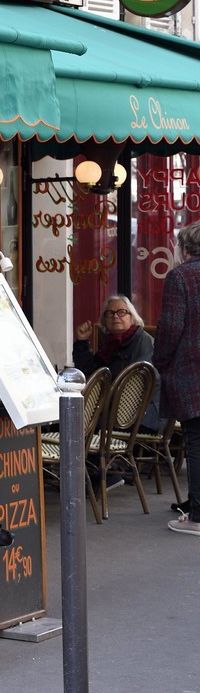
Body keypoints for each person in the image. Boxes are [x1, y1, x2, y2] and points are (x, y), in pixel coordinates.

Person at [154, 222, 200, 534]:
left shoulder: (180, 276)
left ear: (184, 249)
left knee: (196, 443)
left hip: (192, 373)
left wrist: (161, 361)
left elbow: (171, 327)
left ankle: (197, 517)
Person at [73, 294, 154, 380]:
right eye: (110, 313)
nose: (115, 316)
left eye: (121, 312)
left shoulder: (143, 341)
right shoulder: (109, 345)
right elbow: (86, 371)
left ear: (132, 318)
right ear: (104, 321)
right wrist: (82, 341)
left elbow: (143, 379)